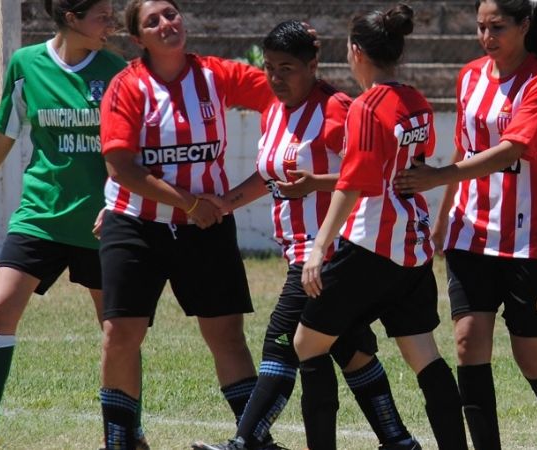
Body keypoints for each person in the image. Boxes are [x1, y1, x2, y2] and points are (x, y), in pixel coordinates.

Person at [191, 20, 420, 450]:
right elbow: (270, 172)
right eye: (270, 67)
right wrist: (226, 202)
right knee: (349, 349)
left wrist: (317, 183)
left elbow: (365, 176)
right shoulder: (275, 109)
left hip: (329, 251)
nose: (276, 77)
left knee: (280, 340)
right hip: (299, 249)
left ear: (313, 64)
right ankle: (399, 441)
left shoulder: (335, 109)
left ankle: (246, 441)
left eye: (287, 68)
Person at [0, 1, 127, 450]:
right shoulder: (26, 65)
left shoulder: (118, 70)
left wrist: (120, 202)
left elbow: (130, 147)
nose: (111, 24)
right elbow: (5, 132)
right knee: (0, 309)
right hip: (39, 216)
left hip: (101, 222)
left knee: (118, 333)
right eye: (102, 15)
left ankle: (122, 434)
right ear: (71, 18)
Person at [393, 1, 537, 449]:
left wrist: (437, 177)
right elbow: (464, 148)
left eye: (497, 27)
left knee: (531, 357)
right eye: (480, 27)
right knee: (467, 343)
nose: (486, 36)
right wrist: (441, 221)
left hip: (530, 237)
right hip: (468, 230)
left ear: (524, 26)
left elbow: (513, 149)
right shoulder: (470, 76)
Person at [96, 1, 276, 448]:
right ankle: (120, 439)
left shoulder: (216, 75)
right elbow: (122, 168)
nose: (166, 24)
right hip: (136, 222)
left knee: (226, 334)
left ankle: (254, 439)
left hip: (206, 227)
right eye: (153, 21)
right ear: (138, 39)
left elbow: (284, 92)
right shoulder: (126, 85)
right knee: (121, 334)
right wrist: (191, 203)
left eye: (171, 14)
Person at [293, 4, 469, 450]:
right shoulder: (416, 100)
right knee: (424, 355)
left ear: (356, 52)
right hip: (411, 250)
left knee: (306, 346)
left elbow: (355, 184)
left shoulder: (366, 107)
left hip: (369, 246)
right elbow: (417, 161)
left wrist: (319, 248)